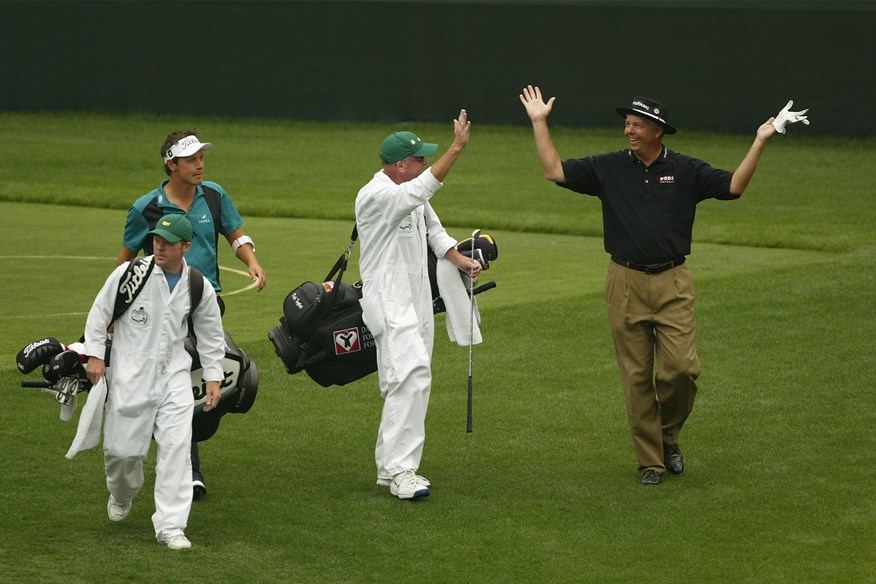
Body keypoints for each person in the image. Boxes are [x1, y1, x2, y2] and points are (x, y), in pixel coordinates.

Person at [520, 86, 807, 486]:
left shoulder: (686, 170)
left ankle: (668, 434)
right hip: (624, 281)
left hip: (673, 281)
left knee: (681, 370)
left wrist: (760, 141)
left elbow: (733, 187)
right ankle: (650, 462)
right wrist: (538, 122)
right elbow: (555, 171)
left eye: (637, 125)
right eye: (627, 124)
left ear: (658, 130)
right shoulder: (609, 167)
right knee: (636, 378)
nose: (629, 131)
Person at [117, 130, 267, 499]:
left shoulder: (213, 194)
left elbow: (236, 235)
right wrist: (117, 311)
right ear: (171, 165)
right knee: (181, 380)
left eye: (201, 158)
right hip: (162, 309)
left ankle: (185, 460)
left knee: (196, 379)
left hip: (206, 302)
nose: (199, 165)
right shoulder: (146, 207)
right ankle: (188, 468)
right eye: (191, 160)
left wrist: (252, 262)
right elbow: (125, 264)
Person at [355, 110, 481, 500]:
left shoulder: (409, 192)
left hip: (416, 296)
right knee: (407, 376)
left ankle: (390, 465)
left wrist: (458, 258)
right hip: (388, 298)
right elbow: (420, 192)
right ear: (399, 166)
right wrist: (457, 147)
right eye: (419, 159)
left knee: (415, 376)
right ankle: (399, 470)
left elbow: (433, 229)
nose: (424, 163)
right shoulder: (377, 194)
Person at [84, 214, 225, 549]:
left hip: (174, 376)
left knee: (177, 450)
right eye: (157, 241)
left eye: (168, 243)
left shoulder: (197, 284)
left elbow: (210, 333)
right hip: (130, 376)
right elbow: (100, 312)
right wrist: (95, 355)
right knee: (121, 454)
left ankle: (171, 527)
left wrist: (213, 376)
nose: (159, 247)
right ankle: (122, 493)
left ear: (185, 247)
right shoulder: (130, 274)